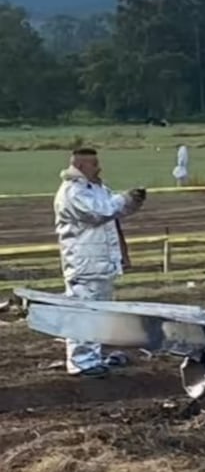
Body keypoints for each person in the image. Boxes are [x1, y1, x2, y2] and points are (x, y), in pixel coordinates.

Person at [54, 148, 146, 376]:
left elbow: (115, 213)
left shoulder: (96, 189)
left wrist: (133, 201)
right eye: (94, 164)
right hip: (84, 263)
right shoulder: (73, 192)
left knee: (99, 312)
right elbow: (100, 212)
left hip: (101, 262)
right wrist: (124, 197)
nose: (99, 168)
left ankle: (93, 357)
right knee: (84, 312)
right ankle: (81, 362)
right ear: (81, 166)